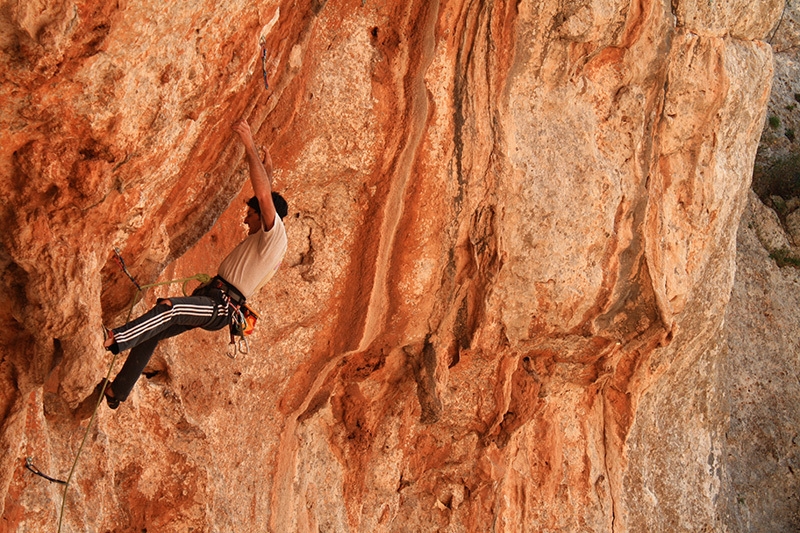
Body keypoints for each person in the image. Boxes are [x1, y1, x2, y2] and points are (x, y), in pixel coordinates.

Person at [95, 119, 288, 410]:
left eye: (251, 214)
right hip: (215, 297)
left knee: (170, 309)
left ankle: (113, 338)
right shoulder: (267, 238)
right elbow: (266, 194)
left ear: (263, 215)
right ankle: (116, 393)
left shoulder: (276, 237)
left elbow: (263, 196)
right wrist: (266, 166)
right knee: (156, 331)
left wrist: (248, 144)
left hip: (223, 306)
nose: (246, 219)